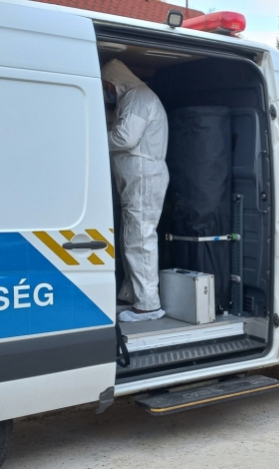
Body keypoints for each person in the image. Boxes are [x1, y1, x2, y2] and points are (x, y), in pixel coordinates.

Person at [102, 59, 169, 322]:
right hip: (139, 177)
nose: (107, 91)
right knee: (132, 236)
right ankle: (132, 295)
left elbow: (125, 138)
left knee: (139, 238)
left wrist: (95, 138)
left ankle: (148, 305)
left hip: (143, 176)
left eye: (106, 86)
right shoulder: (133, 97)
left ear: (114, 80)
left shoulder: (139, 96)